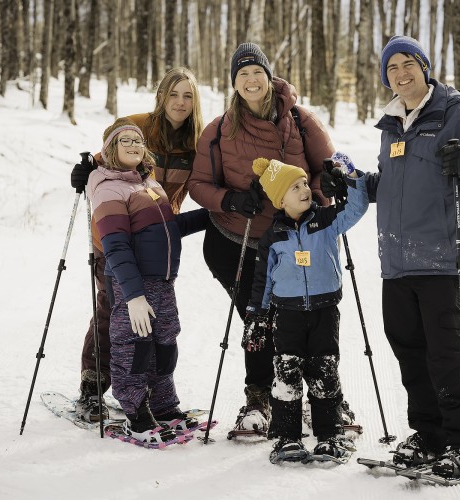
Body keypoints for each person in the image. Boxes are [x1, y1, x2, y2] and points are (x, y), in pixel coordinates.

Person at [343, 35, 460, 478]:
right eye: (392, 68)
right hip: (396, 260)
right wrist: (354, 183)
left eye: (408, 63)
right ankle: (429, 433)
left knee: (445, 353)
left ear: (424, 67)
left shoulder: (454, 112)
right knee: (409, 351)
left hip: (441, 258)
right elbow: (389, 184)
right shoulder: (392, 123)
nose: (400, 73)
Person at [188, 42, 350, 436]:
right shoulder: (220, 128)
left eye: (255, 71)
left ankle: (319, 399)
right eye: (241, 74)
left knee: (303, 320)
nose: (250, 79)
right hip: (235, 241)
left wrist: (316, 191)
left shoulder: (299, 118)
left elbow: (330, 167)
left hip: (291, 241)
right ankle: (259, 400)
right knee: (257, 321)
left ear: (268, 75)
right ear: (234, 83)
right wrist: (231, 198)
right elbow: (198, 184)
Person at [70, 67, 204, 423]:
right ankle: (93, 385)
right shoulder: (137, 127)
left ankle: (155, 397)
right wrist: (86, 168)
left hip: (156, 234)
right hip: (116, 237)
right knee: (113, 312)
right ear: (160, 96)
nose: (180, 102)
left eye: (188, 96)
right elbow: (109, 161)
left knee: (157, 329)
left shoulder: (196, 140)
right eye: (173, 94)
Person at [87, 117, 209, 444]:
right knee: (135, 347)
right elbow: (115, 244)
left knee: (165, 342)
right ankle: (136, 412)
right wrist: (134, 296)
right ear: (110, 149)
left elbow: (168, 229)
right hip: (133, 284)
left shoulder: (148, 184)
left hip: (162, 281)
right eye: (124, 140)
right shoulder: (107, 186)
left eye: (137, 141)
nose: (132, 145)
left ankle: (164, 406)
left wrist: (211, 215)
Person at [243, 155, 368, 463]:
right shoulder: (273, 237)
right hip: (288, 316)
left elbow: (356, 207)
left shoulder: (325, 219)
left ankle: (329, 436)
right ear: (279, 200)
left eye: (304, 184)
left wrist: (351, 176)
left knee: (324, 372)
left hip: (324, 311)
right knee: (286, 375)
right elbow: (262, 280)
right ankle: (286, 438)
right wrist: (257, 316)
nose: (304, 190)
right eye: (294, 187)